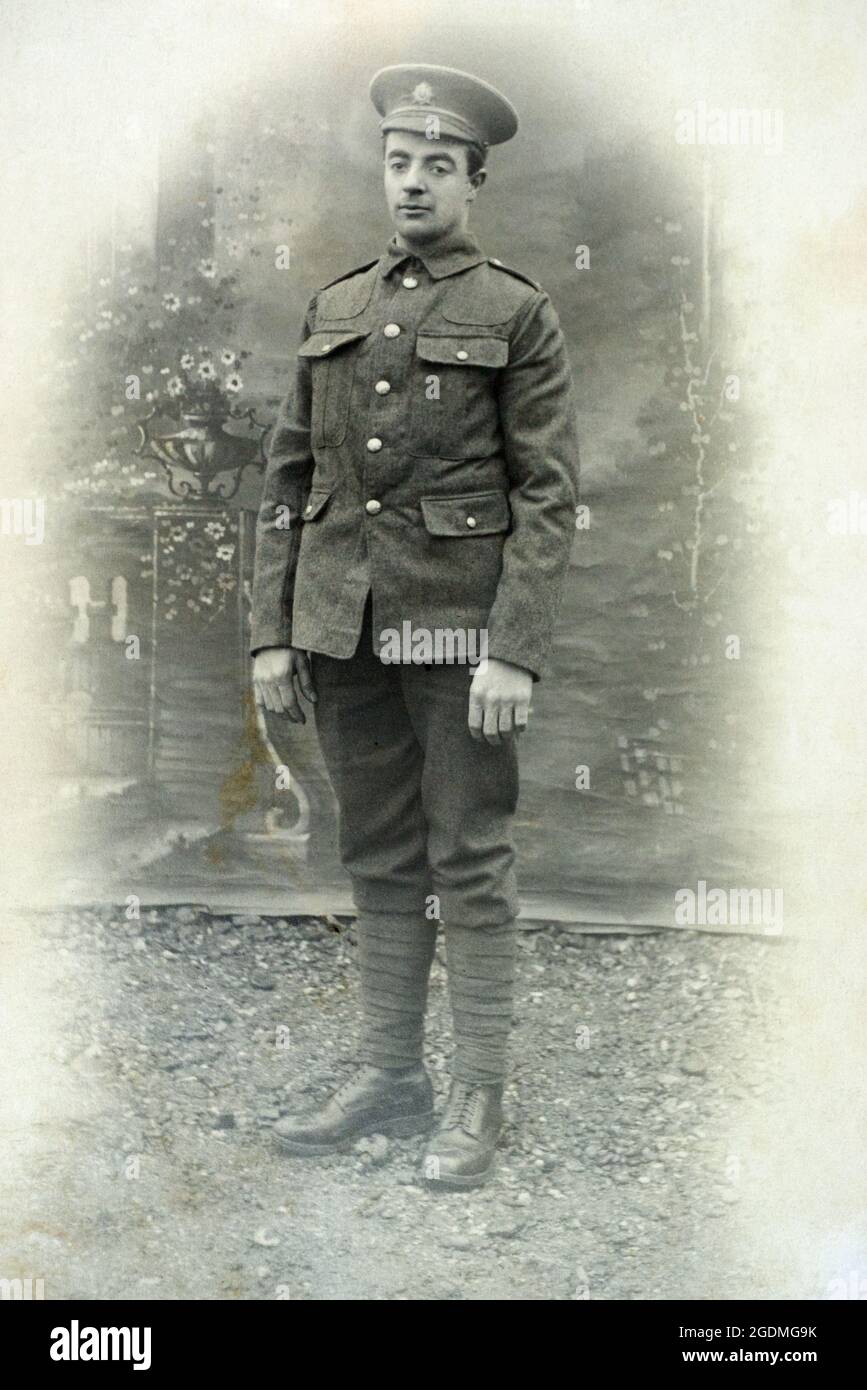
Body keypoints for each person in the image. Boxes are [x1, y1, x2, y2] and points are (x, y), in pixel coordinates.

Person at [250, 64, 579, 1188]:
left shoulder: (515, 309)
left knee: (469, 855)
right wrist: (271, 631)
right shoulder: (335, 306)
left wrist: (514, 649)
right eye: (400, 163)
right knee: (379, 852)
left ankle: (480, 1089)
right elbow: (287, 479)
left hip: (458, 636)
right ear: (383, 173)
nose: (415, 183)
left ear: (474, 182)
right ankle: (393, 1075)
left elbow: (546, 494)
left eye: (440, 165)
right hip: (341, 627)